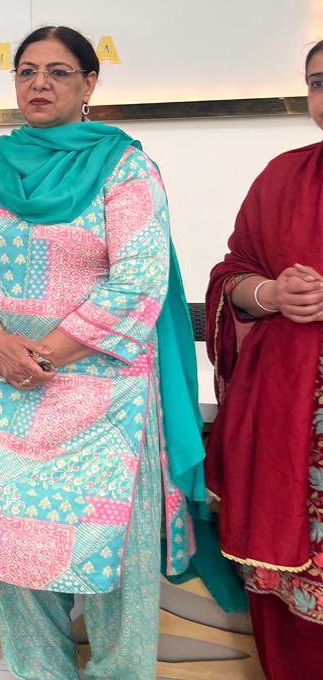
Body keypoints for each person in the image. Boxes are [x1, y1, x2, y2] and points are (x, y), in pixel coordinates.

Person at [0, 26, 212, 680]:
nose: (39, 84)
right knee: (12, 563)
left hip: (101, 403)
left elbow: (137, 281)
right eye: (26, 71)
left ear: (89, 84)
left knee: (113, 570)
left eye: (58, 72)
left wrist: (44, 357)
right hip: (0, 394)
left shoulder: (125, 167)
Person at [204, 40, 323, 678]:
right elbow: (232, 274)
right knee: (290, 599)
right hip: (288, 425)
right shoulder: (283, 177)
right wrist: (271, 293)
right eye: (317, 82)